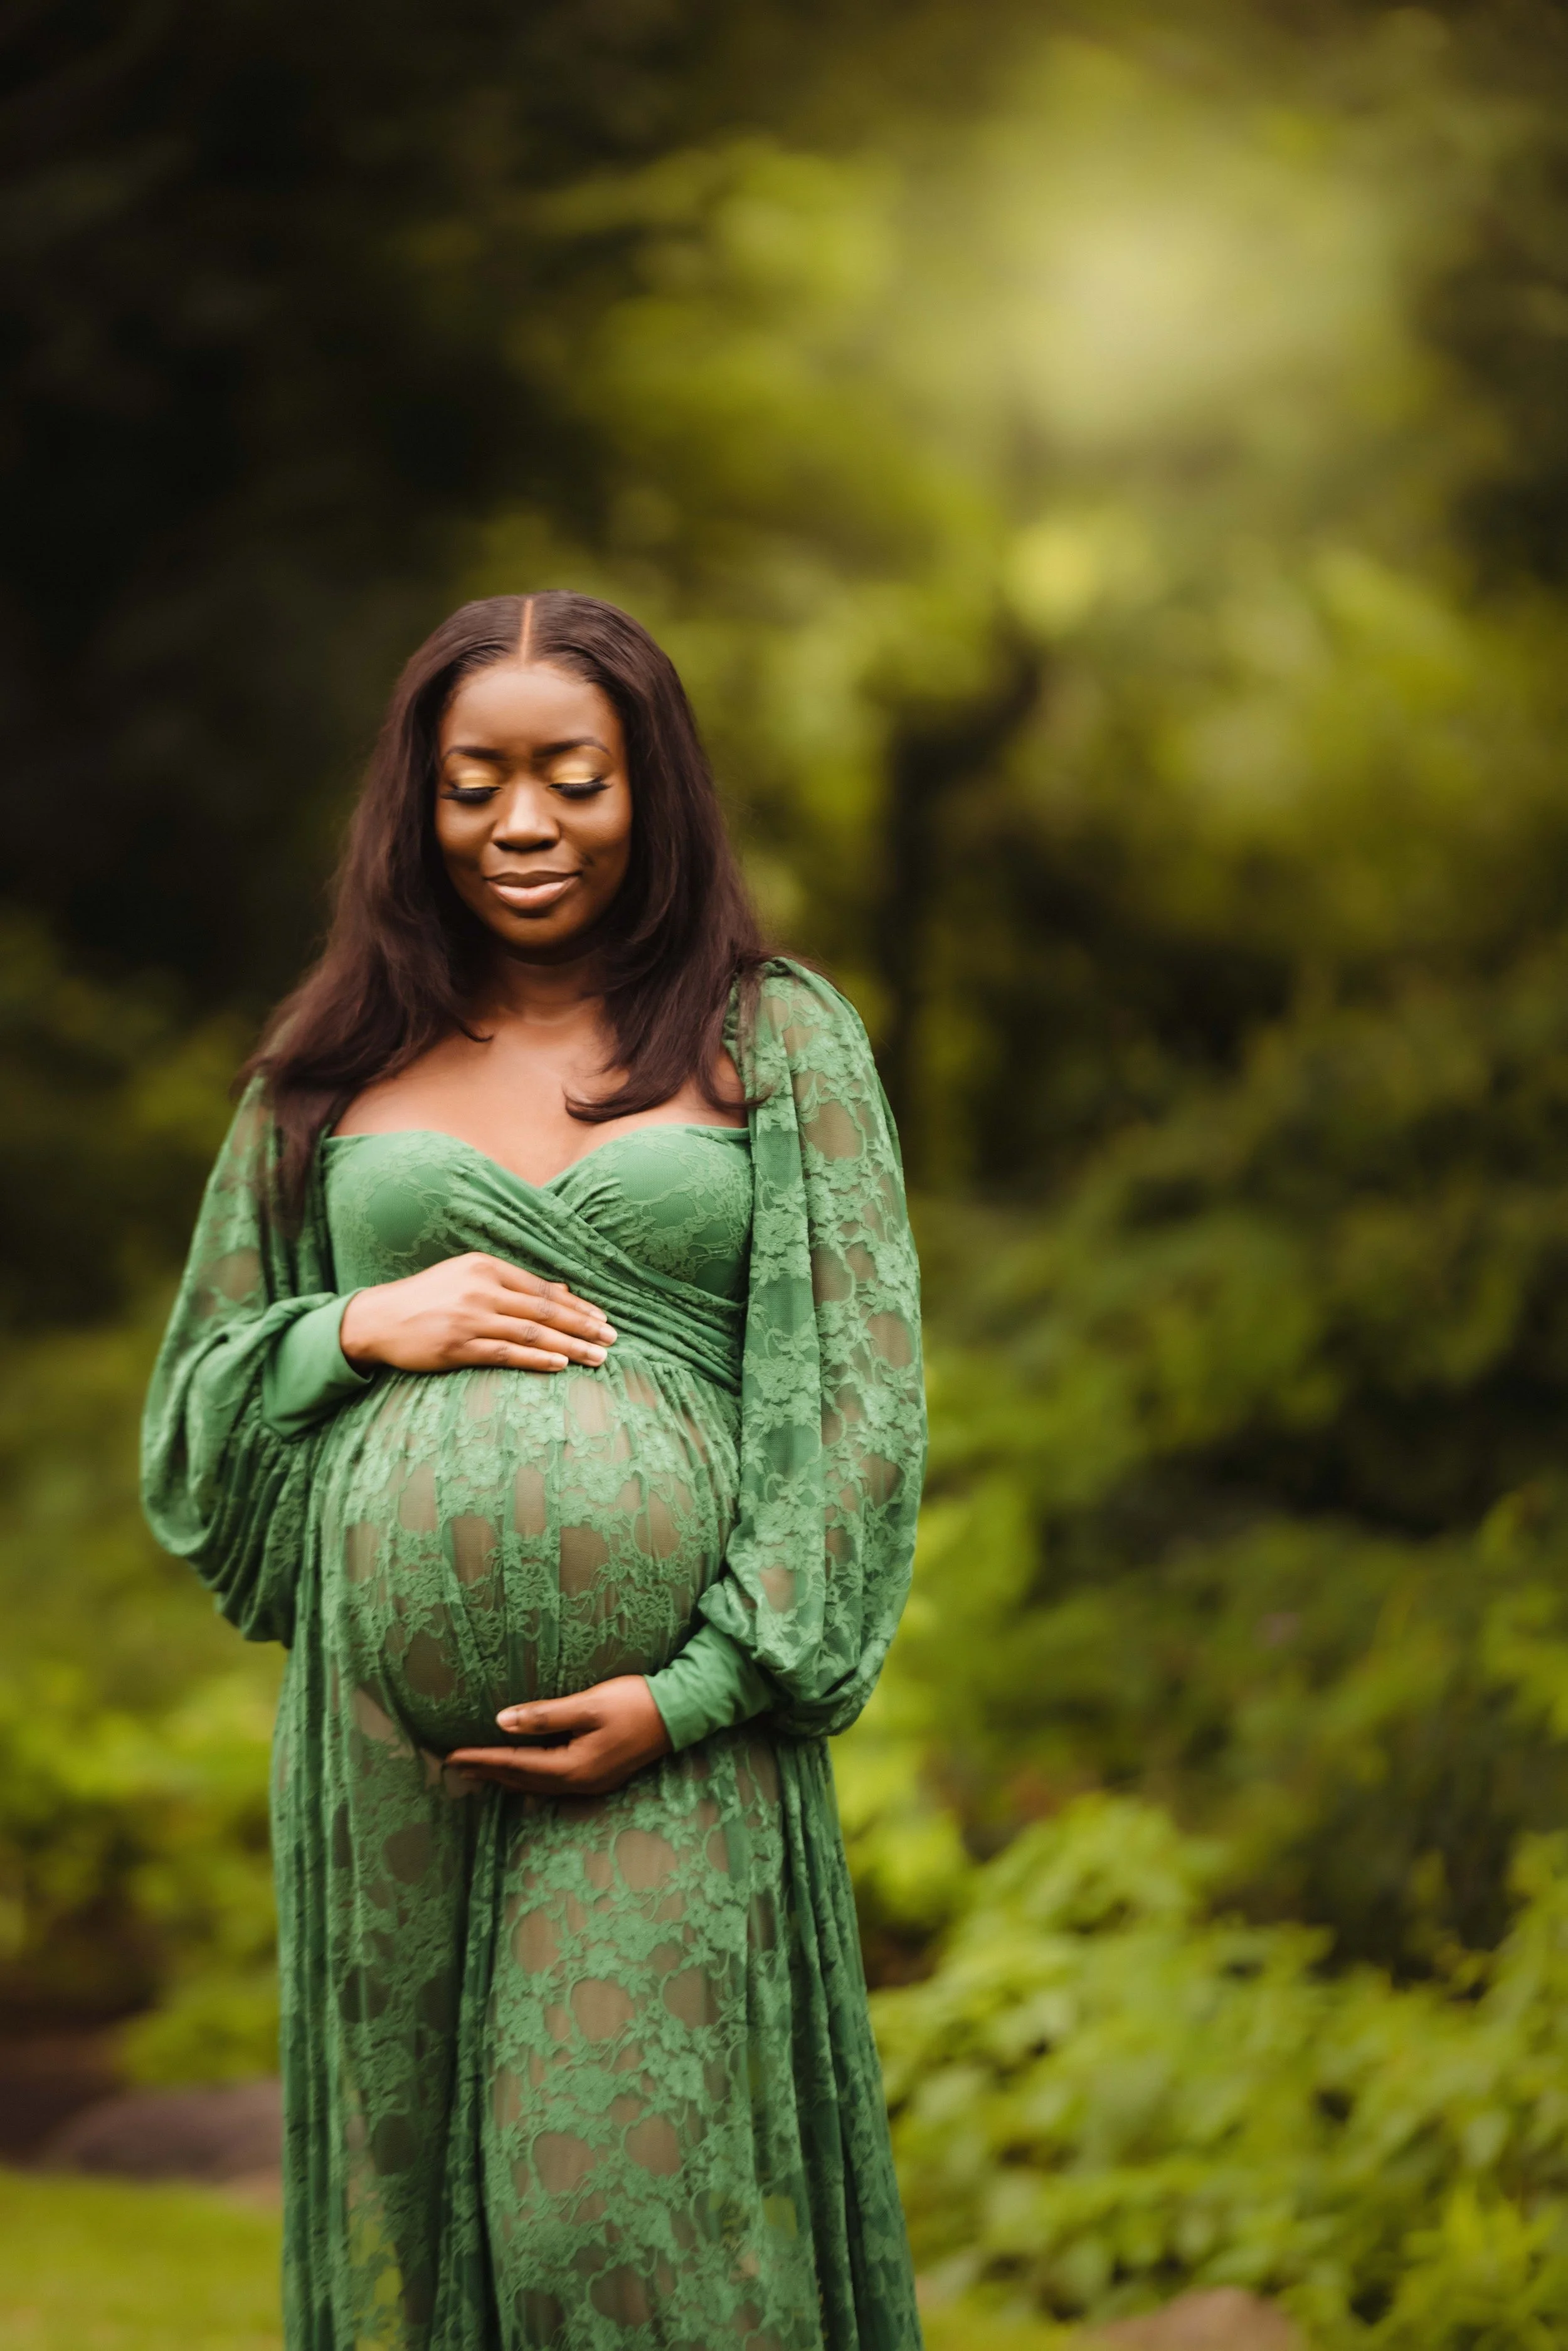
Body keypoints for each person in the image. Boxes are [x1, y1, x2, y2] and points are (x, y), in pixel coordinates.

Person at [142, 591, 927, 2351]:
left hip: (671, 1733)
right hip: (381, 1745)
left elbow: (857, 1405)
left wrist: (704, 1682)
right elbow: (193, 1423)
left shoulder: (771, 1037)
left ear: (650, 786)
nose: (520, 823)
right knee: (433, 2237)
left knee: (609, 2224)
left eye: (571, 776)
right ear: (414, 806)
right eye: (473, 781)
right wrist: (355, 1328)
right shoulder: (325, 1070)